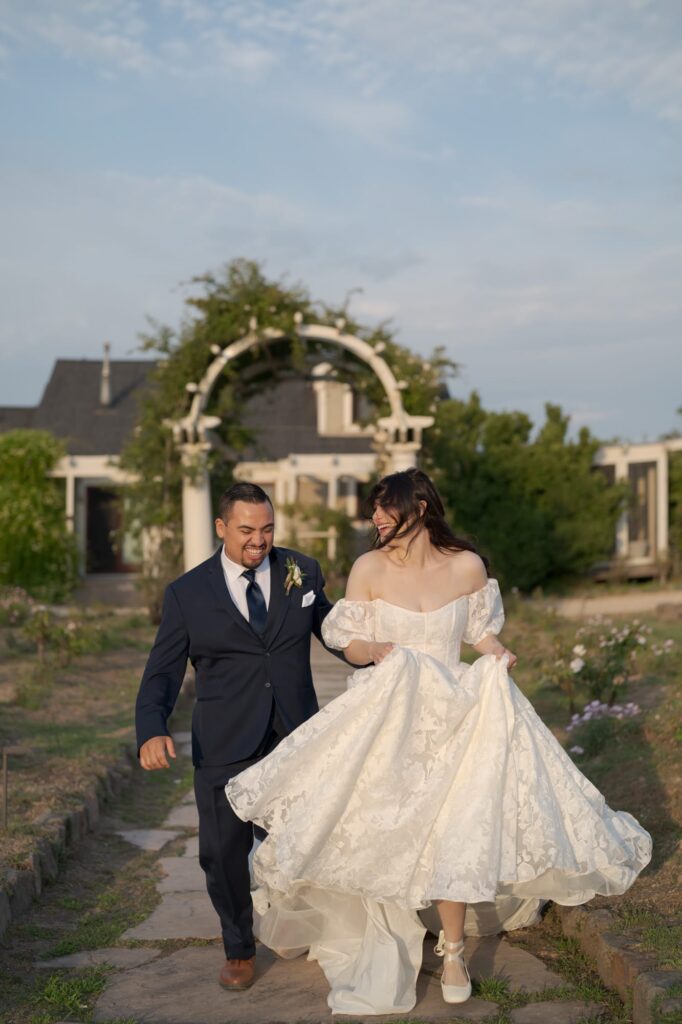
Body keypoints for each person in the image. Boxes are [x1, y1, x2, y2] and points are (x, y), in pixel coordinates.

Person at [226, 468, 652, 1015]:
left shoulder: (467, 566)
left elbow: (478, 633)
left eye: (385, 507)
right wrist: (375, 649)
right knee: (386, 828)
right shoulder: (369, 568)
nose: (375, 517)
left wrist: (497, 654)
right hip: (392, 716)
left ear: (420, 507)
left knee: (455, 828)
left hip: (455, 714)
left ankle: (453, 953)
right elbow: (349, 641)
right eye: (373, 509)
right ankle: (387, 937)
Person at [135, 482, 340, 993]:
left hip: (293, 737)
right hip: (224, 740)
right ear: (222, 527)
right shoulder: (186, 593)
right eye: (247, 529)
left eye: (268, 528)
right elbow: (162, 672)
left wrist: (380, 652)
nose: (259, 540)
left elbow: (336, 632)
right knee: (222, 855)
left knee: (299, 841)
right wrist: (152, 729)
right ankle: (239, 948)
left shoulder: (303, 572)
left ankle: (302, 927)